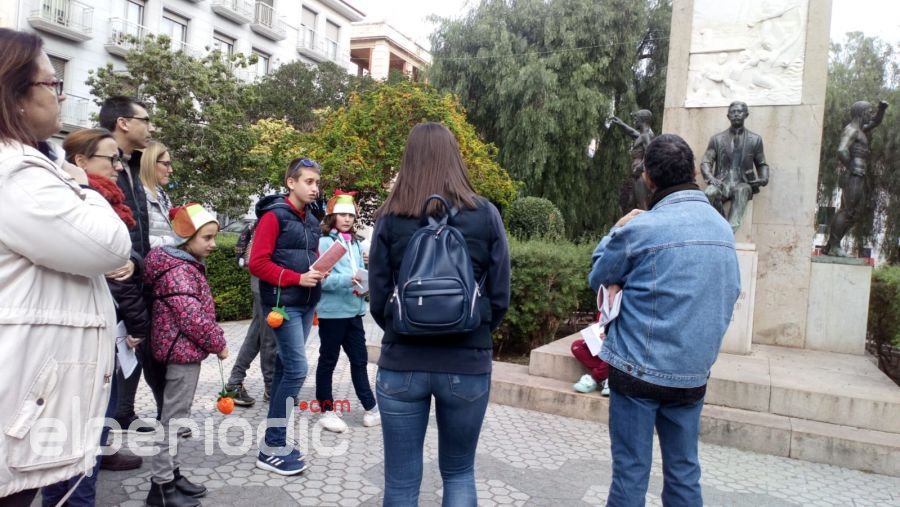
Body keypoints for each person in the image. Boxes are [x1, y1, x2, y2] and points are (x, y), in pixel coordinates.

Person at [0, 28, 131, 505]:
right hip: (18, 398)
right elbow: (110, 245)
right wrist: (85, 189)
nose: (60, 95)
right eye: (51, 83)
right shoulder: (17, 174)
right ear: (15, 95)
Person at [588, 134, 741, 507]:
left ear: (649, 178)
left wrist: (616, 228)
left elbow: (598, 274)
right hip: (691, 375)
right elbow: (731, 292)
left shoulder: (642, 228)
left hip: (636, 371)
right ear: (693, 172)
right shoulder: (723, 230)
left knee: (630, 476)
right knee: (685, 474)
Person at [368, 122, 511, 505]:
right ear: (455, 158)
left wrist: (404, 325)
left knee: (401, 483)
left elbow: (378, 298)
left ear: (409, 160)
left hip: (402, 363)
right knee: (460, 473)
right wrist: (474, 330)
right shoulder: (485, 214)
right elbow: (500, 296)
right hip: (467, 363)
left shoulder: (390, 216)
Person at [41, 128, 146, 507]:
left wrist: (133, 263)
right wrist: (139, 322)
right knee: (78, 437)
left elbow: (127, 255)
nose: (118, 167)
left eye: (120, 159)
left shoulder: (114, 202)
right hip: (74, 338)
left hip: (106, 328)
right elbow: (104, 258)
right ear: (81, 162)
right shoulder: (75, 201)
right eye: (111, 159)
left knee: (97, 424)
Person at [144, 203, 228, 506]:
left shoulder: (180, 264)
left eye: (214, 236)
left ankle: (172, 473)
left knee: (177, 417)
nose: (213, 244)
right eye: (206, 237)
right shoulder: (179, 270)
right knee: (174, 420)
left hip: (181, 349)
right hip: (181, 352)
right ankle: (161, 486)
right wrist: (218, 343)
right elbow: (192, 316)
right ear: (185, 237)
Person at [249, 158, 326, 476]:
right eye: (308, 181)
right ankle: (272, 446)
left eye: (316, 182)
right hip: (284, 306)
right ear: (291, 183)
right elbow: (257, 263)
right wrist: (297, 278)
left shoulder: (312, 218)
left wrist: (320, 269)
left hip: (307, 303)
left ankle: (275, 440)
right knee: (296, 370)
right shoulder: (273, 216)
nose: (314, 188)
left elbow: (308, 256)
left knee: (285, 367)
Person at [99, 95, 165, 432]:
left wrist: (139, 264)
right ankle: (103, 434)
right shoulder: (99, 165)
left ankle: (121, 415)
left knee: (132, 348)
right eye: (145, 120)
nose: (150, 127)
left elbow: (136, 232)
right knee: (109, 358)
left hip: (134, 274)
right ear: (123, 123)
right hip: (111, 282)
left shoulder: (132, 165)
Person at [315, 191, 380, 433]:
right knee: (328, 361)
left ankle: (371, 407)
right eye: (342, 214)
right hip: (332, 314)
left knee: (359, 361)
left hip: (354, 312)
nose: (347, 219)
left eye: (351, 215)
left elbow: (358, 274)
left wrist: (364, 282)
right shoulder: (325, 242)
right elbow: (320, 278)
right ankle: (326, 410)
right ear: (332, 216)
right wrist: (347, 279)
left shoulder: (354, 243)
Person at [821, 99, 889, 256]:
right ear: (861, 113)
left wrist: (881, 110)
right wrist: (851, 167)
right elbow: (841, 150)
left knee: (855, 213)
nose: (870, 115)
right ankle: (835, 245)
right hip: (854, 175)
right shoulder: (851, 130)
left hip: (858, 175)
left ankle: (830, 246)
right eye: (869, 112)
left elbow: (875, 122)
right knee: (848, 211)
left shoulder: (860, 129)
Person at [226, 218, 277, 406]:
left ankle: (234, 382)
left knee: (257, 332)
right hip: (266, 278)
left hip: (265, 278)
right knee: (268, 335)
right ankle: (271, 387)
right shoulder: (275, 214)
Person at [700, 101, 770, 232]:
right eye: (733, 112)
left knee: (741, 191)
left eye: (739, 111)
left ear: (746, 115)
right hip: (722, 182)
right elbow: (706, 162)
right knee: (709, 192)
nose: (736, 114)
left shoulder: (755, 139)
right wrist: (711, 178)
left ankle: (729, 233)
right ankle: (720, 223)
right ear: (728, 116)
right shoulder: (717, 139)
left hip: (743, 183)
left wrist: (763, 179)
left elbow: (762, 164)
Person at [610, 109, 655, 211]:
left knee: (642, 205)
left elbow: (650, 153)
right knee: (633, 203)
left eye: (636, 119)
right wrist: (621, 124)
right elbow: (632, 132)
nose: (634, 121)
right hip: (637, 174)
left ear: (642, 119)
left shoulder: (647, 135)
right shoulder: (643, 134)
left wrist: (640, 167)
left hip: (641, 175)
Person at [140, 140, 177, 247]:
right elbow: (137, 239)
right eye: (166, 164)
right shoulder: (139, 195)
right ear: (149, 163)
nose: (170, 170)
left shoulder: (161, 194)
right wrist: (177, 241)